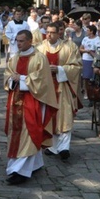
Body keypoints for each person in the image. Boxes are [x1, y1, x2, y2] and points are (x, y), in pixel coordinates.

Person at [4, 30, 58, 185]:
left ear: (29, 41)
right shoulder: (14, 58)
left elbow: (43, 81)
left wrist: (21, 78)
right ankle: (35, 164)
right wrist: (12, 80)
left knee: (30, 132)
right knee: (16, 133)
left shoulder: (39, 58)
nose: (18, 44)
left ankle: (20, 171)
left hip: (33, 101)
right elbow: (7, 76)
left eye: (21, 41)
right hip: (15, 100)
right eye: (17, 41)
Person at [38, 21, 82, 160]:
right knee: (49, 116)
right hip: (46, 88)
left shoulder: (70, 47)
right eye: (47, 32)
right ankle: (52, 146)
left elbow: (76, 66)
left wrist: (60, 69)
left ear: (59, 33)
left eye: (52, 32)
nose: (49, 35)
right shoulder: (39, 48)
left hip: (63, 87)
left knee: (64, 117)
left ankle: (64, 148)